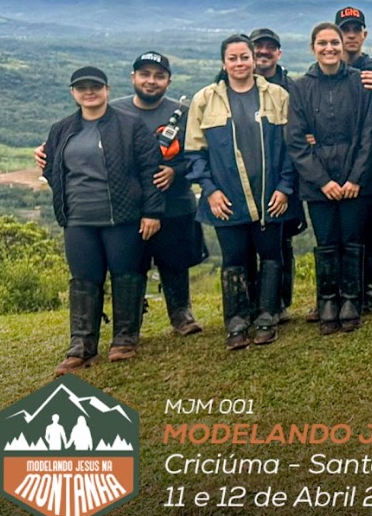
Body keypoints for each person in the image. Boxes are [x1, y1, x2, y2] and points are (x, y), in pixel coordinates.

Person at [43, 66, 164, 374]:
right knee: (83, 280)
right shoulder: (61, 129)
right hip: (78, 219)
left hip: (122, 217)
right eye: (82, 87)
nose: (89, 92)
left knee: (126, 276)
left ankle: (125, 340)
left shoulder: (129, 125)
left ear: (107, 89)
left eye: (95, 86)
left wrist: (152, 211)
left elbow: (151, 170)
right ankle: (81, 346)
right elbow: (53, 171)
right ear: (73, 93)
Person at [186, 35, 298, 350]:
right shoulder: (205, 100)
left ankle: (267, 316)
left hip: (270, 197)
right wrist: (209, 191)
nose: (239, 64)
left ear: (254, 60)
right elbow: (194, 153)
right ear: (224, 63)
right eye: (233, 58)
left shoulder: (276, 95)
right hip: (227, 199)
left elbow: (292, 148)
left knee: (271, 255)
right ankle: (236, 321)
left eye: (244, 57)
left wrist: (285, 187)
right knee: (234, 259)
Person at [286, 23, 372, 334]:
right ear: (313, 47)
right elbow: (296, 140)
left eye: (334, 43)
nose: (330, 48)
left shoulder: (360, 84)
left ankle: (351, 300)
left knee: (352, 240)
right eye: (323, 43)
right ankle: (327, 300)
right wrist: (322, 181)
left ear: (343, 46)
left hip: (355, 179)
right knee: (326, 242)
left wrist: (355, 178)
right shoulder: (299, 87)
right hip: (317, 183)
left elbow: (369, 133)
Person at [110, 51, 203, 336]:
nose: (151, 81)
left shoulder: (184, 113)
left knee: (175, 262)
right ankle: (129, 323)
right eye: (145, 75)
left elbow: (199, 154)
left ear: (169, 81)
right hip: (129, 206)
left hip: (175, 204)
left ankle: (181, 314)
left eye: (159, 76)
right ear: (133, 78)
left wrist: (175, 171)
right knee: (130, 265)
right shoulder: (113, 111)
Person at [333, 7, 372, 314]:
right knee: (335, 230)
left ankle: (365, 289)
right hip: (332, 163)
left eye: (356, 29)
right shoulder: (328, 68)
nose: (351, 35)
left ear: (364, 34)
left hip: (368, 163)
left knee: (367, 226)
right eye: (345, 29)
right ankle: (335, 291)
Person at [250, 27, 303, 322]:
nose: (264, 52)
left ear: (278, 53)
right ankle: (250, 302)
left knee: (282, 240)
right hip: (247, 179)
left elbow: (298, 135)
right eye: (258, 47)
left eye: (270, 47)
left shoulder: (290, 88)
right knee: (248, 244)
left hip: (284, 177)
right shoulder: (229, 86)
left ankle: (280, 302)